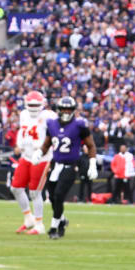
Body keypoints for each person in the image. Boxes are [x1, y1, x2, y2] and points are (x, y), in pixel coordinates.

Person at [40, 96, 98, 239]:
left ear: (73, 110)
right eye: (64, 109)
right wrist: (39, 153)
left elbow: (90, 145)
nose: (66, 111)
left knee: (59, 195)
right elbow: (47, 143)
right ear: (59, 110)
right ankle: (62, 220)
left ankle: (53, 228)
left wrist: (92, 164)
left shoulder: (79, 125)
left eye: (69, 109)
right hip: (55, 165)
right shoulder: (52, 124)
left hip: (70, 165)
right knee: (53, 198)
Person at [9, 90, 52, 235]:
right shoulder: (23, 115)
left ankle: (39, 224)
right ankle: (28, 217)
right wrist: (19, 145)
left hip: (41, 157)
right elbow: (22, 131)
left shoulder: (49, 116)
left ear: (42, 104)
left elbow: (54, 134)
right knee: (16, 187)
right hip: (26, 155)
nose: (33, 107)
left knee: (35, 192)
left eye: (36, 104)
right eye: (31, 104)